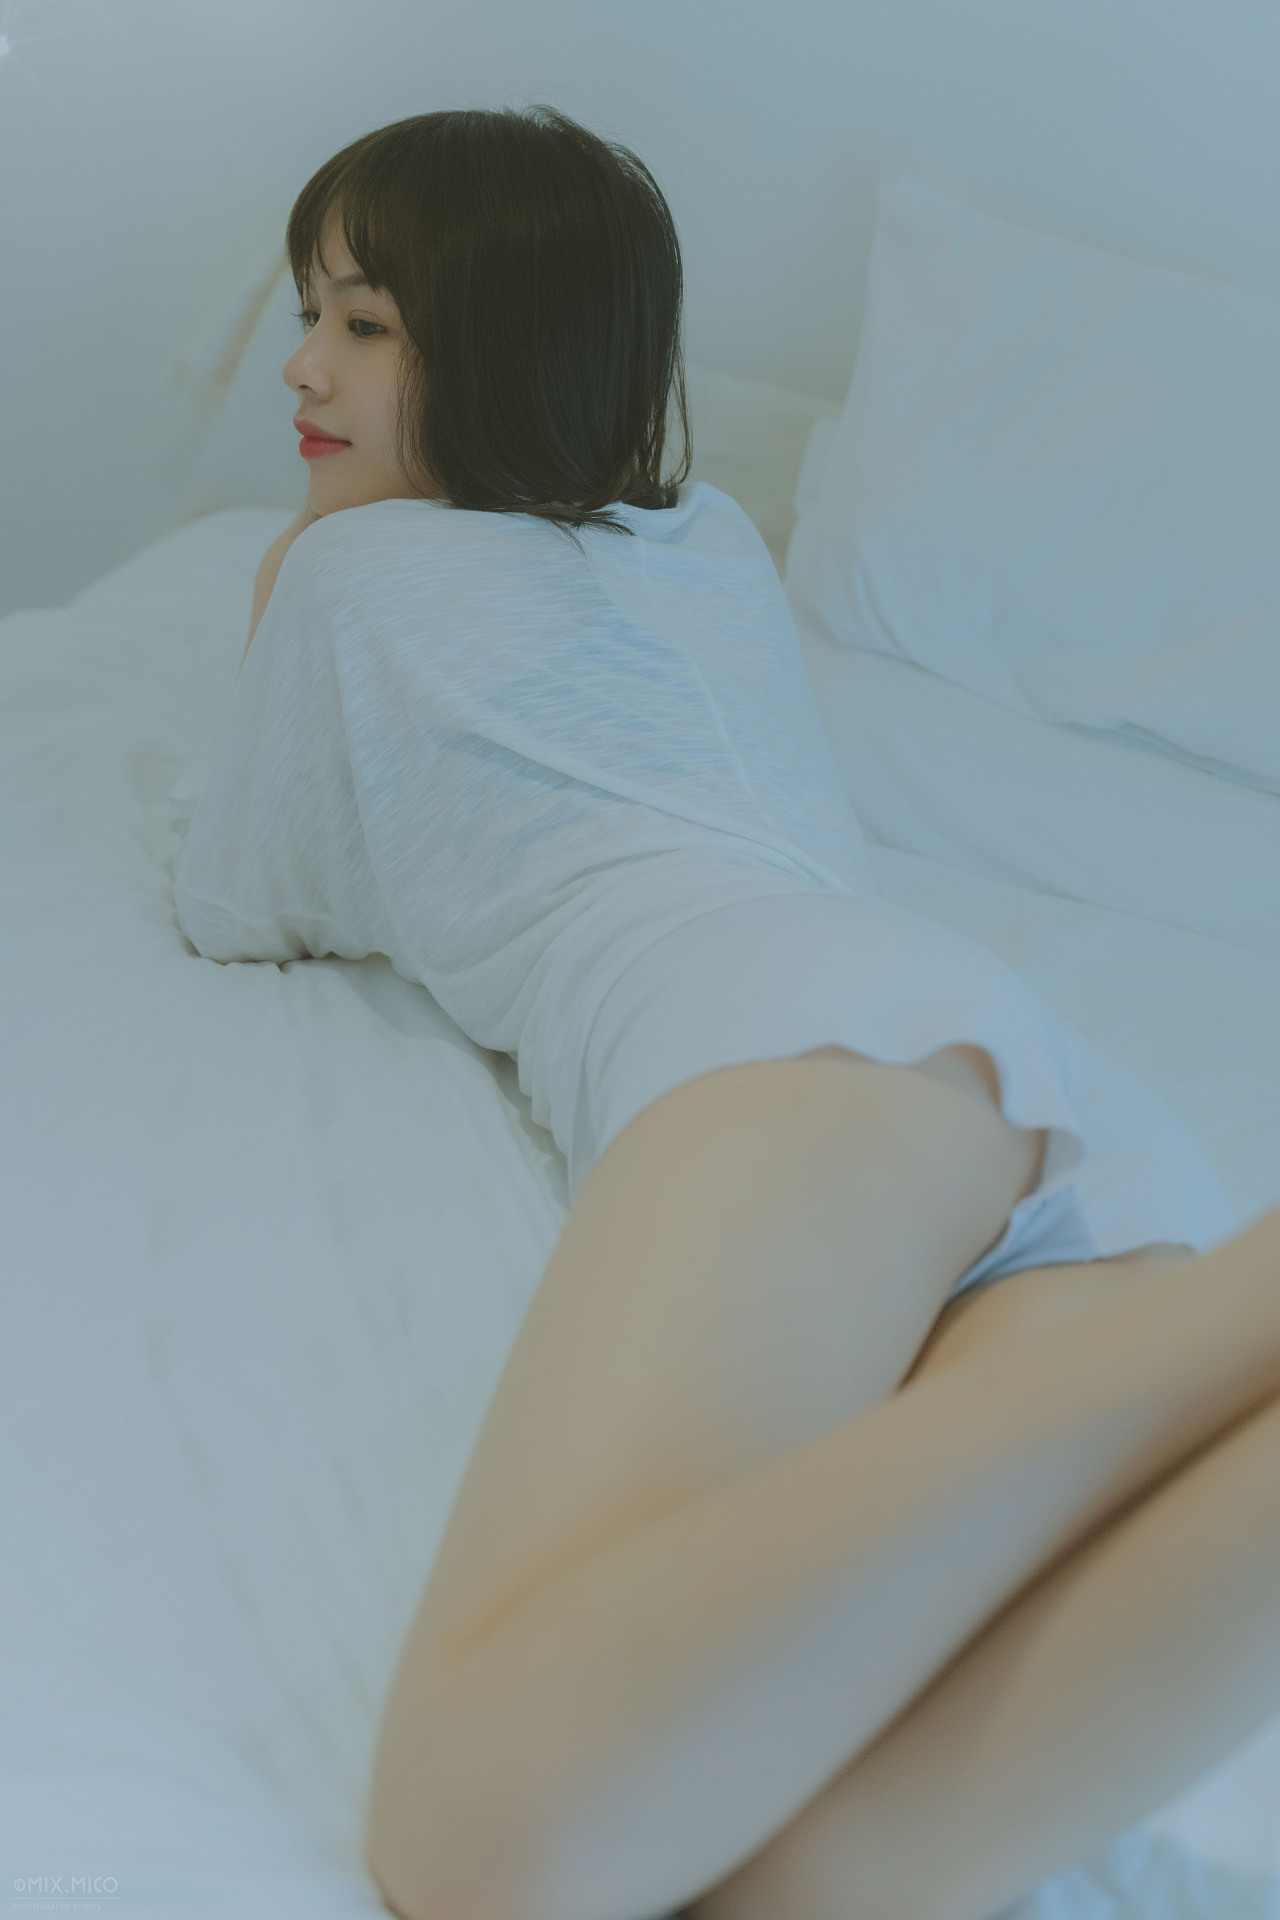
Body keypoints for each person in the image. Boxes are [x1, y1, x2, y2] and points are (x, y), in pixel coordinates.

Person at [173, 105, 1280, 1920]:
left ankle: (1230, 1315)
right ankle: (1209, 1330)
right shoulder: (705, 545)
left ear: (507, 341)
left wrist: (300, 557)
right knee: (786, 1876)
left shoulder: (343, 572)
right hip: (1012, 1082)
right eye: (314, 315)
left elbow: (241, 903)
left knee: (483, 1838)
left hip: (784, 1049)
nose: (301, 369)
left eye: (365, 323)